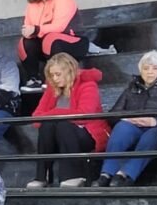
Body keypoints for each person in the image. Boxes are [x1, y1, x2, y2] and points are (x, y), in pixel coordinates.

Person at [28, 53, 110, 187]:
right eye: (52, 75)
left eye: (58, 74)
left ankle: (74, 175)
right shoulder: (52, 88)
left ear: (69, 71)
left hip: (89, 134)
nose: (54, 79)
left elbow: (85, 114)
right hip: (60, 136)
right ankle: (42, 176)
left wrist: (54, 114)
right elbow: (37, 118)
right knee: (46, 126)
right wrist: (53, 117)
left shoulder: (88, 85)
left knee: (63, 123)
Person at [95, 50, 157, 187]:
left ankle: (125, 174)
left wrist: (156, 120)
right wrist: (128, 118)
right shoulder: (132, 87)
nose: (150, 72)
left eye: (155, 68)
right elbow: (113, 114)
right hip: (134, 125)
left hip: (156, 128)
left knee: (152, 136)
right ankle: (106, 174)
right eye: (146, 68)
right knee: (121, 129)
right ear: (140, 70)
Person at [19, 0, 89, 91]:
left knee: (51, 38)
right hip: (46, 45)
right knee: (25, 42)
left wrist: (36, 29)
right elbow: (28, 26)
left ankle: (54, 78)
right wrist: (27, 32)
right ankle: (33, 79)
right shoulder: (32, 5)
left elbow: (59, 27)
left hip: (73, 43)